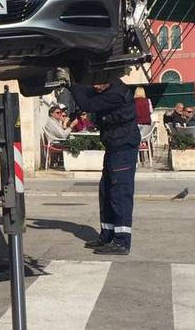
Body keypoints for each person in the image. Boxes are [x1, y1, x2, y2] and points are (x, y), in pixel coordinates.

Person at [64, 75, 138, 256]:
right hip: (114, 147)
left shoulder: (116, 94)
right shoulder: (108, 88)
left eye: (98, 82)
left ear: (109, 78)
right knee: (106, 192)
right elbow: (88, 93)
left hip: (122, 148)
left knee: (119, 193)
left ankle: (121, 241)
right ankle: (107, 234)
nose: (95, 86)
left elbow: (87, 104)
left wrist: (72, 83)